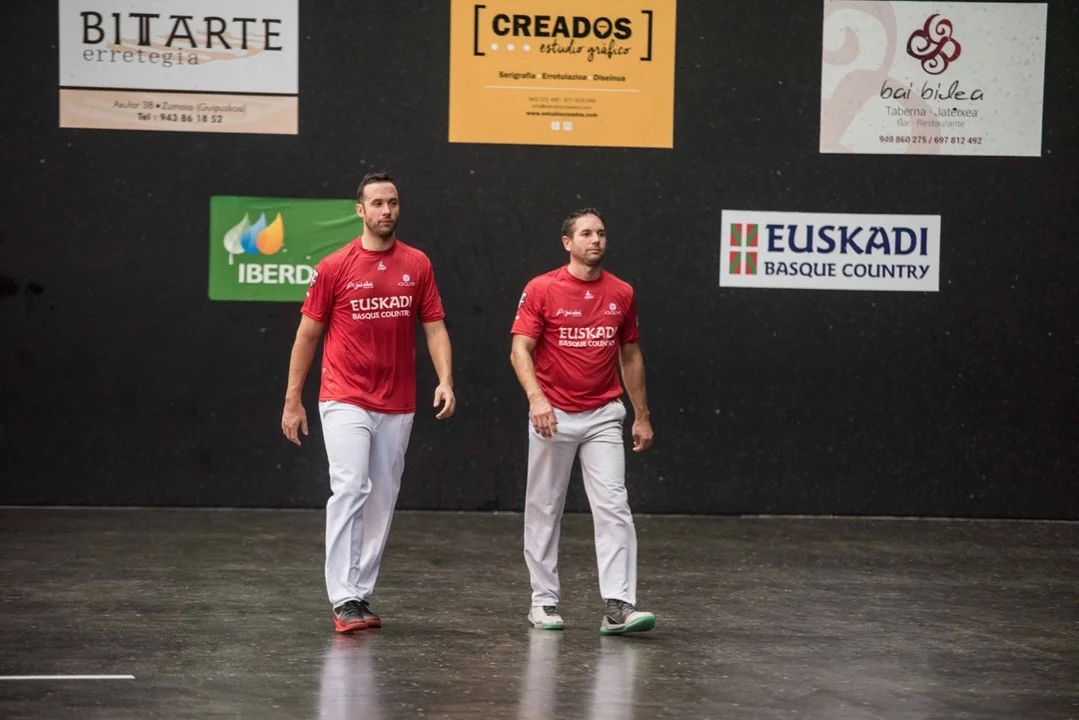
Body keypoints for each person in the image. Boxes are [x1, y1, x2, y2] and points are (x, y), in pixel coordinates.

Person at [281, 171, 455, 633]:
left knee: (381, 497)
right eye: (377, 203)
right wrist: (293, 399)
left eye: (392, 202)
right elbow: (307, 335)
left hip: (398, 402)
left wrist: (445, 380)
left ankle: (359, 593)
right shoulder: (334, 266)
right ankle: (343, 598)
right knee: (351, 485)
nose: (386, 210)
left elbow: (434, 327)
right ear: (360, 210)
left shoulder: (417, 264)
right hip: (344, 396)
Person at [509, 206, 655, 635]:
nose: (596, 240)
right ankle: (543, 601)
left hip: (603, 415)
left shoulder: (621, 292)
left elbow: (630, 355)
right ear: (567, 242)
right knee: (544, 507)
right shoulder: (541, 288)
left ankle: (619, 605)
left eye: (601, 233)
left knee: (614, 505)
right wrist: (537, 399)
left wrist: (642, 416)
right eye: (587, 234)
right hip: (551, 415)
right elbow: (520, 349)